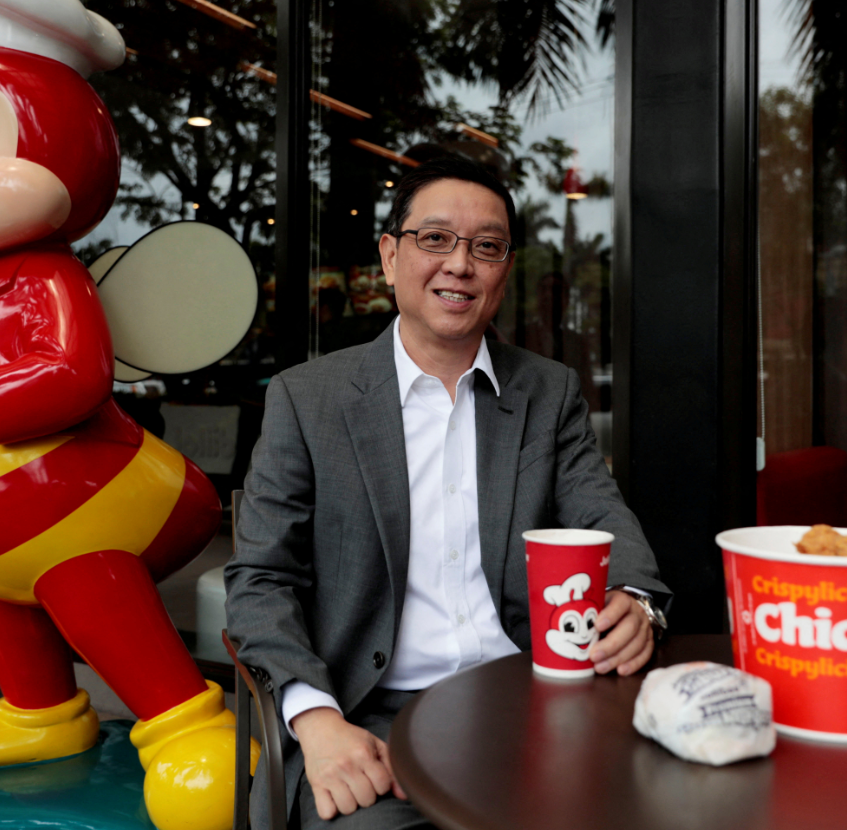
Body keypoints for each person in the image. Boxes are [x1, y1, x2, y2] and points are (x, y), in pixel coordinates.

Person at [224, 157, 668, 829]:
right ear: (390, 255)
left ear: (503, 270)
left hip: (531, 701)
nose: (460, 264)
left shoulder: (546, 392)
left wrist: (636, 601)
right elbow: (261, 578)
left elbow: (601, 510)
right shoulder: (308, 399)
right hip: (373, 716)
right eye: (436, 239)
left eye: (485, 247)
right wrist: (315, 721)